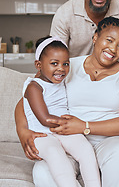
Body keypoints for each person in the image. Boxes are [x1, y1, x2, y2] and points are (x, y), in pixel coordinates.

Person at [15, 17, 119, 187]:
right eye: (109, 40)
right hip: (66, 140)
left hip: (107, 141)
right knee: (42, 171)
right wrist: (23, 132)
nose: (113, 48)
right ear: (95, 37)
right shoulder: (67, 65)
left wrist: (85, 126)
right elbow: (29, 97)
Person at [23, 36, 100, 187]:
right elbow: (44, 119)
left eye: (66, 64)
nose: (61, 68)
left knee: (85, 149)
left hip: (62, 131)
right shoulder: (33, 87)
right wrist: (71, 123)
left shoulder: (63, 81)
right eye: (54, 64)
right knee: (55, 154)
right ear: (38, 65)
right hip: (42, 134)